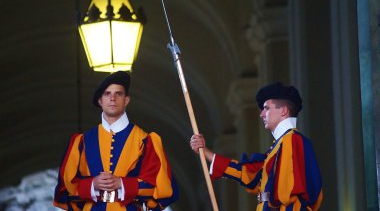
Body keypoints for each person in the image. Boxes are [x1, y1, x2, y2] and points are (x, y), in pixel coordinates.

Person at [54, 71, 179, 211]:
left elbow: (161, 186)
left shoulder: (145, 140)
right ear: (100, 101)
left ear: (126, 100)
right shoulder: (82, 141)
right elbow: (65, 189)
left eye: (118, 94)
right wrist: (92, 184)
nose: (112, 98)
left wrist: (122, 183)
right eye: (107, 94)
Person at [190, 82, 323, 210]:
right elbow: (248, 173)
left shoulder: (293, 140)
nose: (261, 114)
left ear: (283, 110)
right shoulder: (278, 147)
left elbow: (293, 196)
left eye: (266, 108)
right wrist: (205, 151)